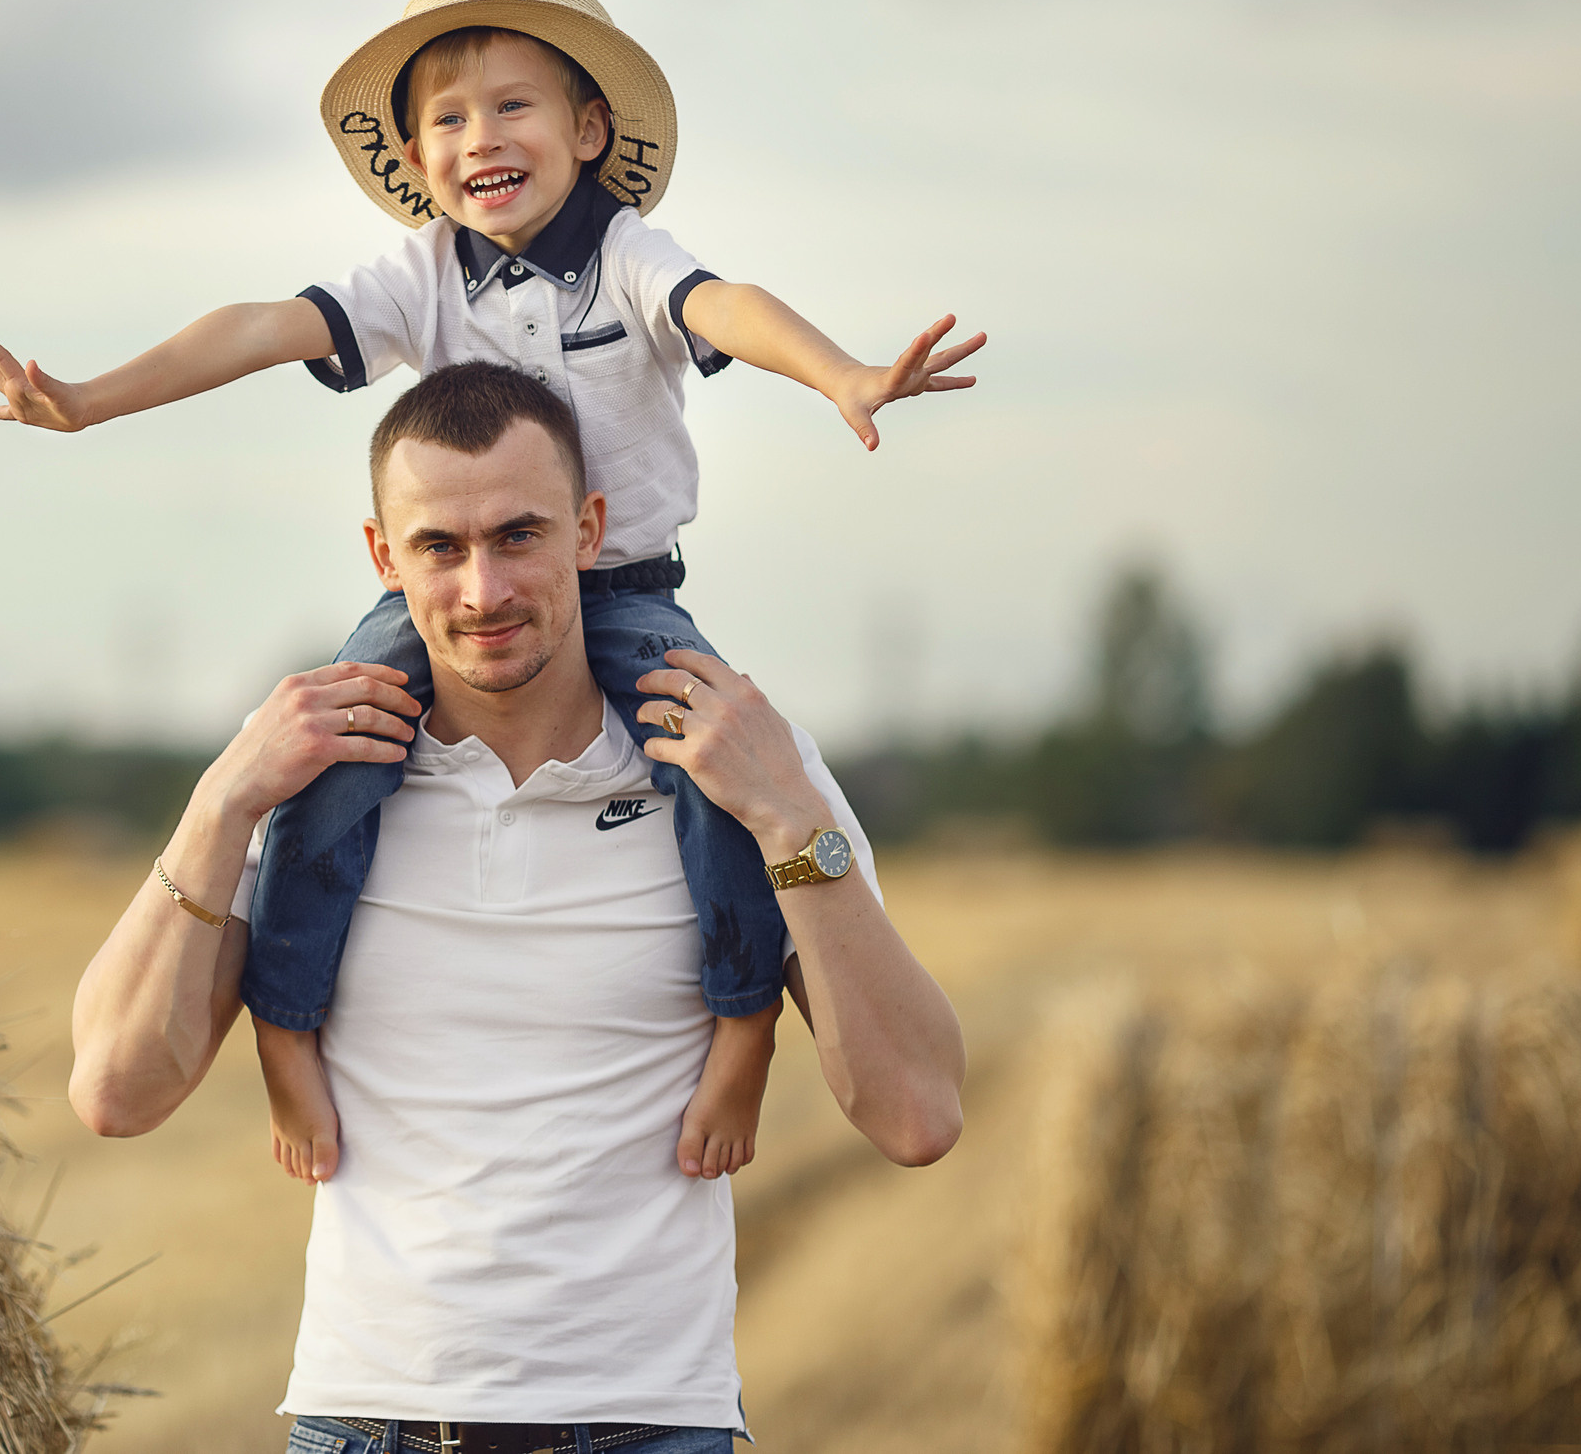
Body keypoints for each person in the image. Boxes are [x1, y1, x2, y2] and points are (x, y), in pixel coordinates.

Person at [0, 0, 984, 1184]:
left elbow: (731, 309)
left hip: (626, 594)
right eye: (447, 118)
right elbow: (253, 328)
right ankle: (287, 1026)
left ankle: (742, 1024)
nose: (480, 138)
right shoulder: (420, 272)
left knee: (716, 780)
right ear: (414, 153)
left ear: (587, 131)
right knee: (327, 763)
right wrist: (85, 401)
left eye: (513, 107)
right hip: (437, 611)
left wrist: (843, 376)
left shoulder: (628, 257)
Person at [69, 363, 965, 1452]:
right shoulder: (309, 791)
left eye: (519, 535)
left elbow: (917, 1114)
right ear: (382, 558)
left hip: (648, 1429)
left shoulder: (741, 774)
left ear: (590, 531)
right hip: (365, 1425)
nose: (482, 590)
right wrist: (220, 801)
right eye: (439, 547)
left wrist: (789, 824)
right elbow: (117, 1091)